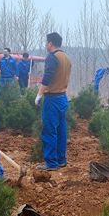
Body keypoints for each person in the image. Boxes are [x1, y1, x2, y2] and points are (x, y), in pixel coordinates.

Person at [34, 32, 71, 170]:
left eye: (46, 42)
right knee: (61, 130)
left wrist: (39, 94)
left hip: (52, 99)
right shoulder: (66, 57)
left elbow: (48, 76)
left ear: (50, 43)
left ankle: (51, 163)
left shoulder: (52, 57)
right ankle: (61, 160)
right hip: (63, 97)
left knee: (49, 130)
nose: (46, 45)